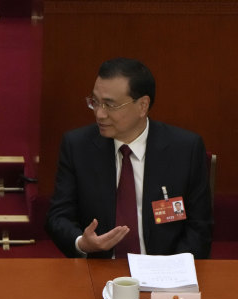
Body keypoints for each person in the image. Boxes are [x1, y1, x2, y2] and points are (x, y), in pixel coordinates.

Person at [45, 57, 212, 259]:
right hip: (100, 270)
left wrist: (171, 271)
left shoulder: (185, 149)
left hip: (167, 272)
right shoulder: (78, 146)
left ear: (142, 105)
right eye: (95, 102)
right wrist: (82, 242)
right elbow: (58, 217)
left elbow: (199, 226)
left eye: (110, 105)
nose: (99, 114)